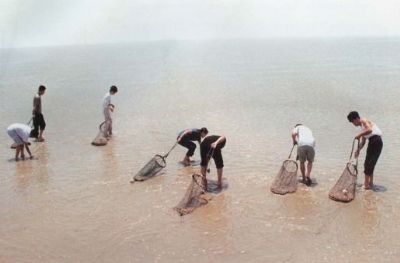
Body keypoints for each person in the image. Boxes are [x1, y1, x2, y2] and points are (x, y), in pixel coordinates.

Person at [347, 111, 383, 190]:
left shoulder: (364, 121)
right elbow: (363, 142)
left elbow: (370, 130)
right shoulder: (363, 128)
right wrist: (358, 150)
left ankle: (366, 185)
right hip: (374, 142)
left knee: (368, 163)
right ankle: (370, 183)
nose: (353, 124)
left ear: (356, 118)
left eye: (352, 122)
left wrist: (359, 135)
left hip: (376, 141)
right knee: (370, 163)